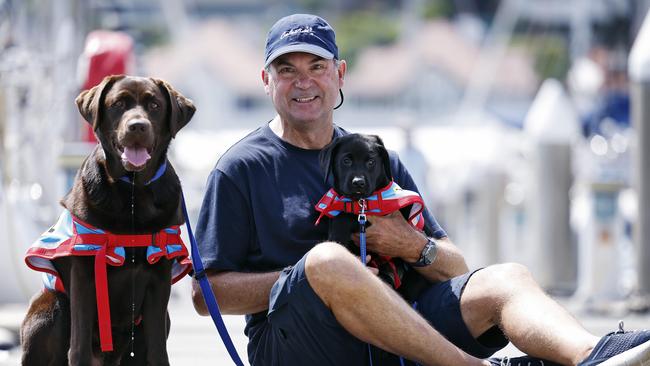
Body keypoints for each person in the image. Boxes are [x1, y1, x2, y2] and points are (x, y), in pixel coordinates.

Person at [192, 13, 650, 366]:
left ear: (340, 75)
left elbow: (454, 266)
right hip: (298, 343)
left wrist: (410, 244)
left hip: (398, 326)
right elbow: (204, 294)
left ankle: (594, 354)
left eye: (317, 66)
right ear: (265, 80)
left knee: (505, 278)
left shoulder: (376, 159)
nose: (303, 81)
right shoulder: (240, 167)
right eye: (286, 69)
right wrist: (322, 281)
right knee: (329, 261)